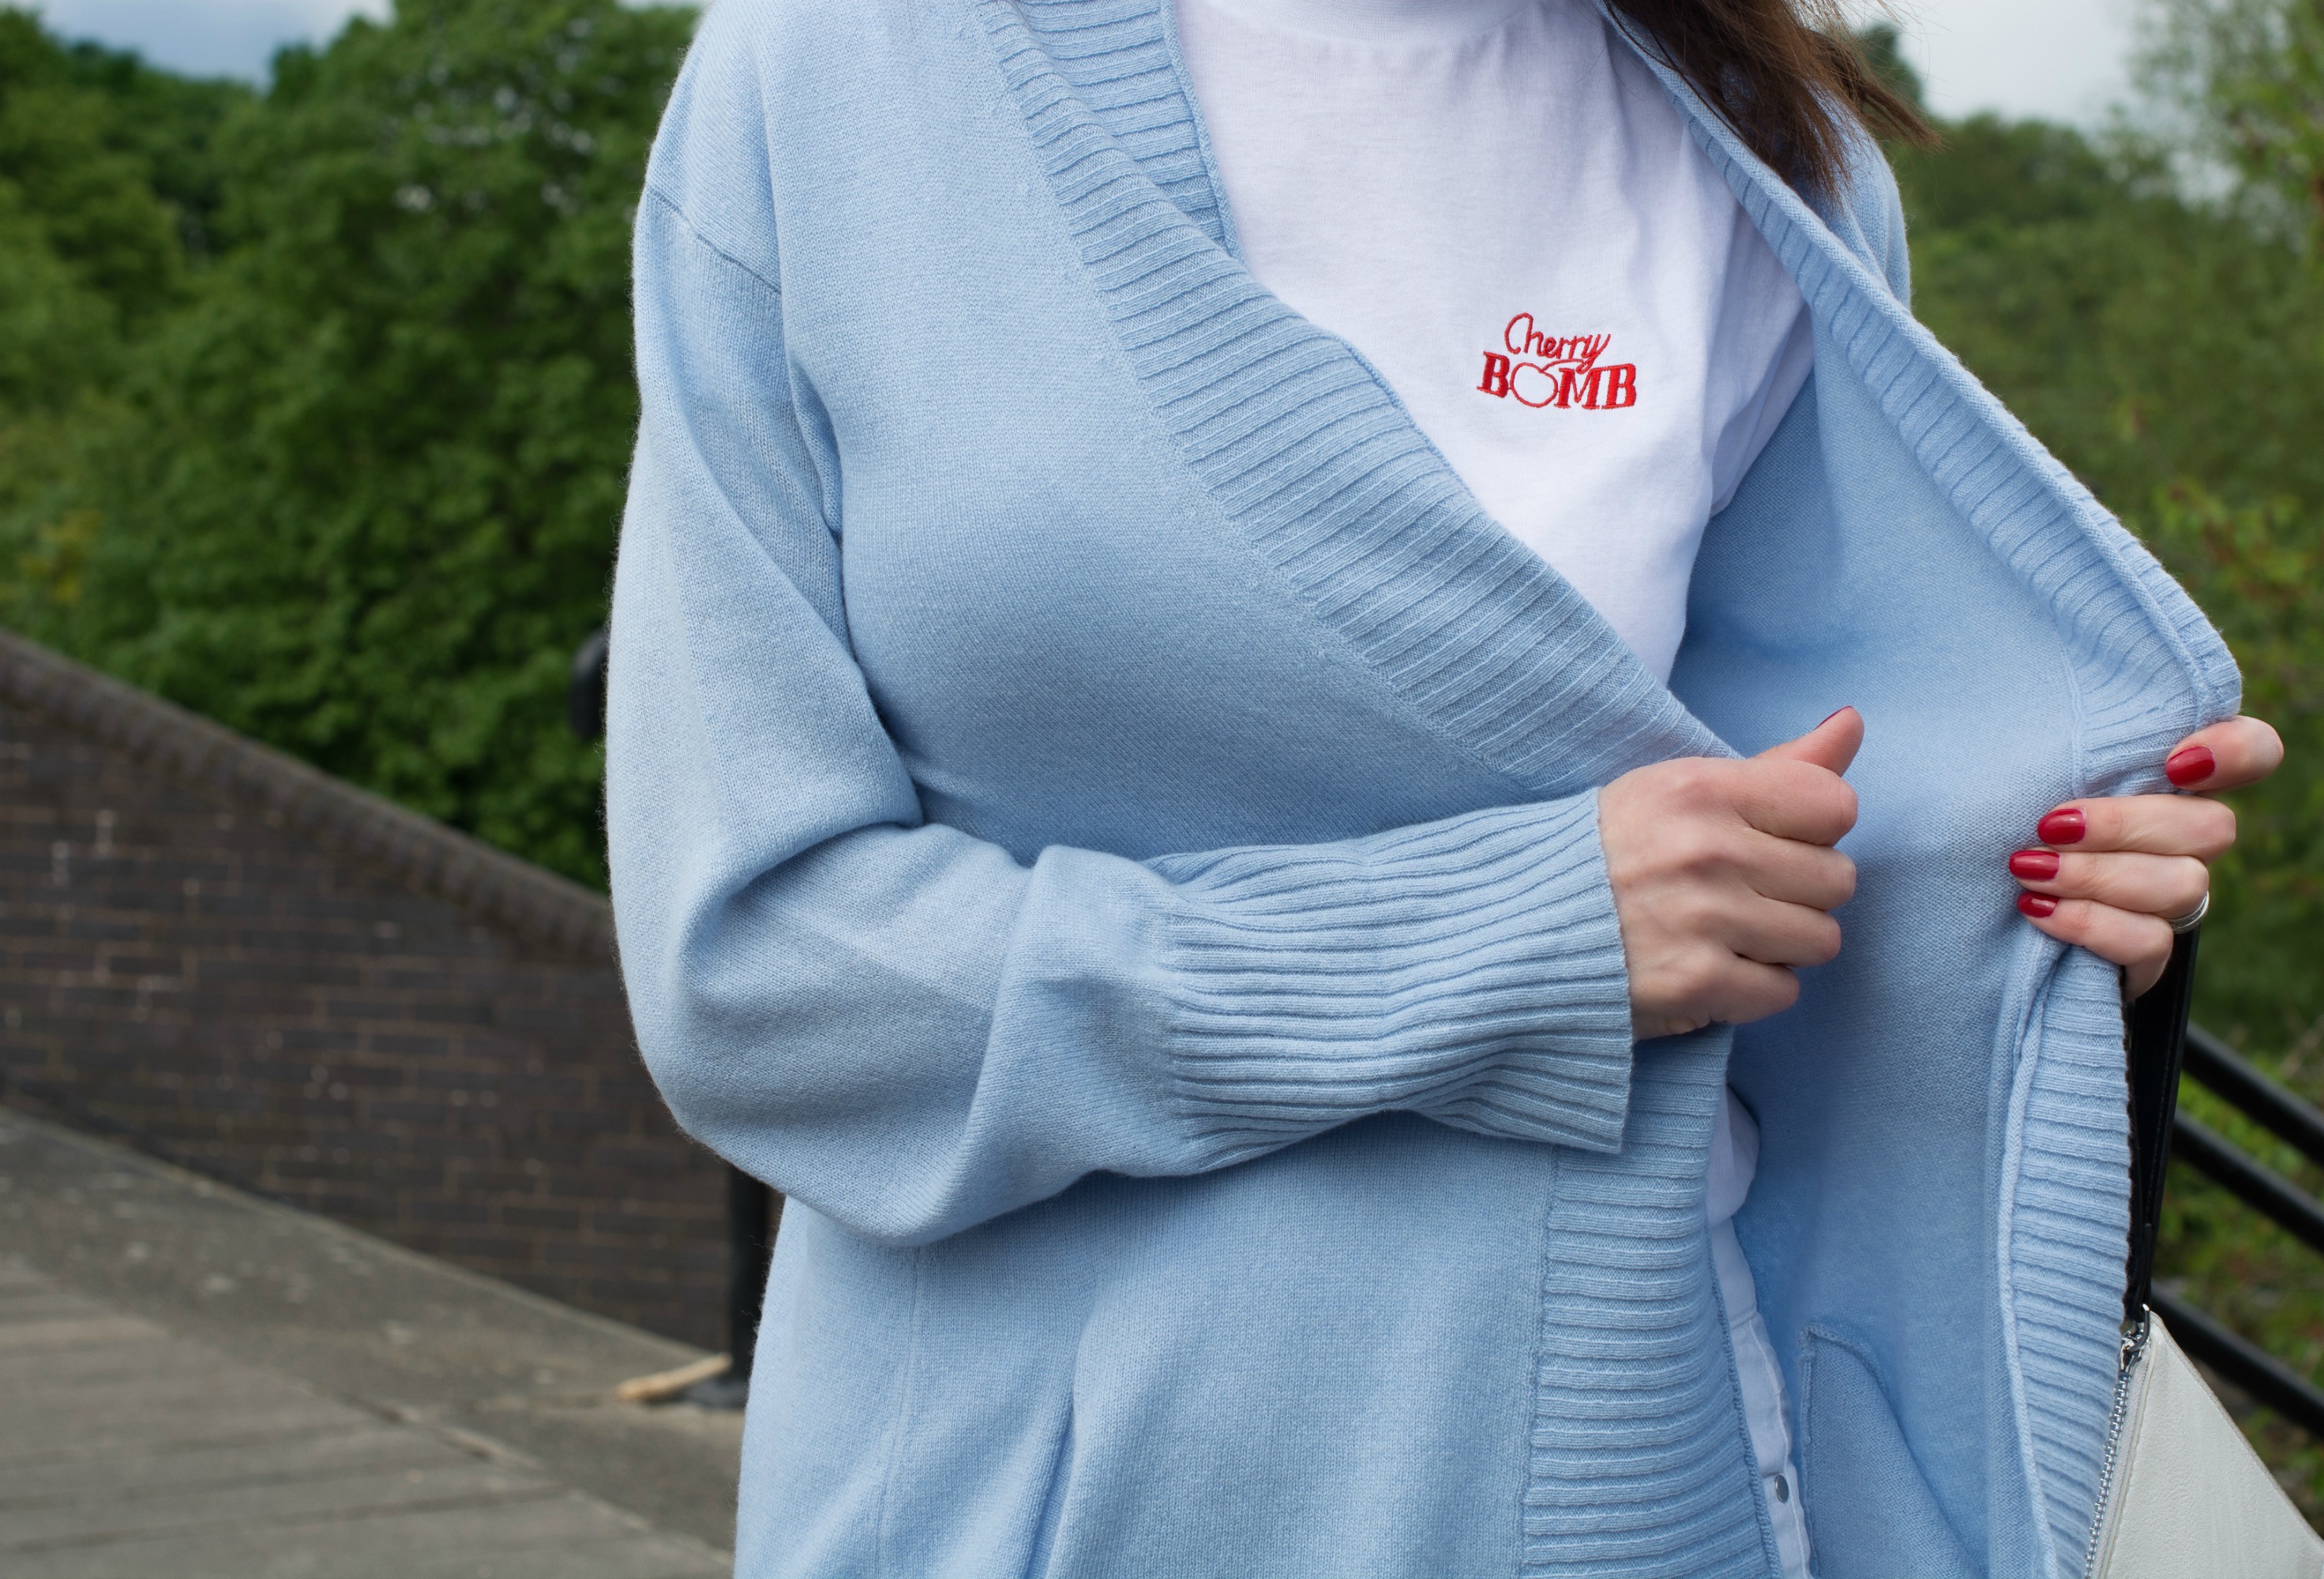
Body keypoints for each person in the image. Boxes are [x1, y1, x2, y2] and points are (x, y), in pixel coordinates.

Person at [605, 0, 2285, 1573]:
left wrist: (2026, 902)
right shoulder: (839, 74)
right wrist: (1505, 939)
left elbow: (1782, 915)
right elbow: (757, 978)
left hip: (1633, 1471)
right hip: (1048, 1507)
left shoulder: (1779, 155)